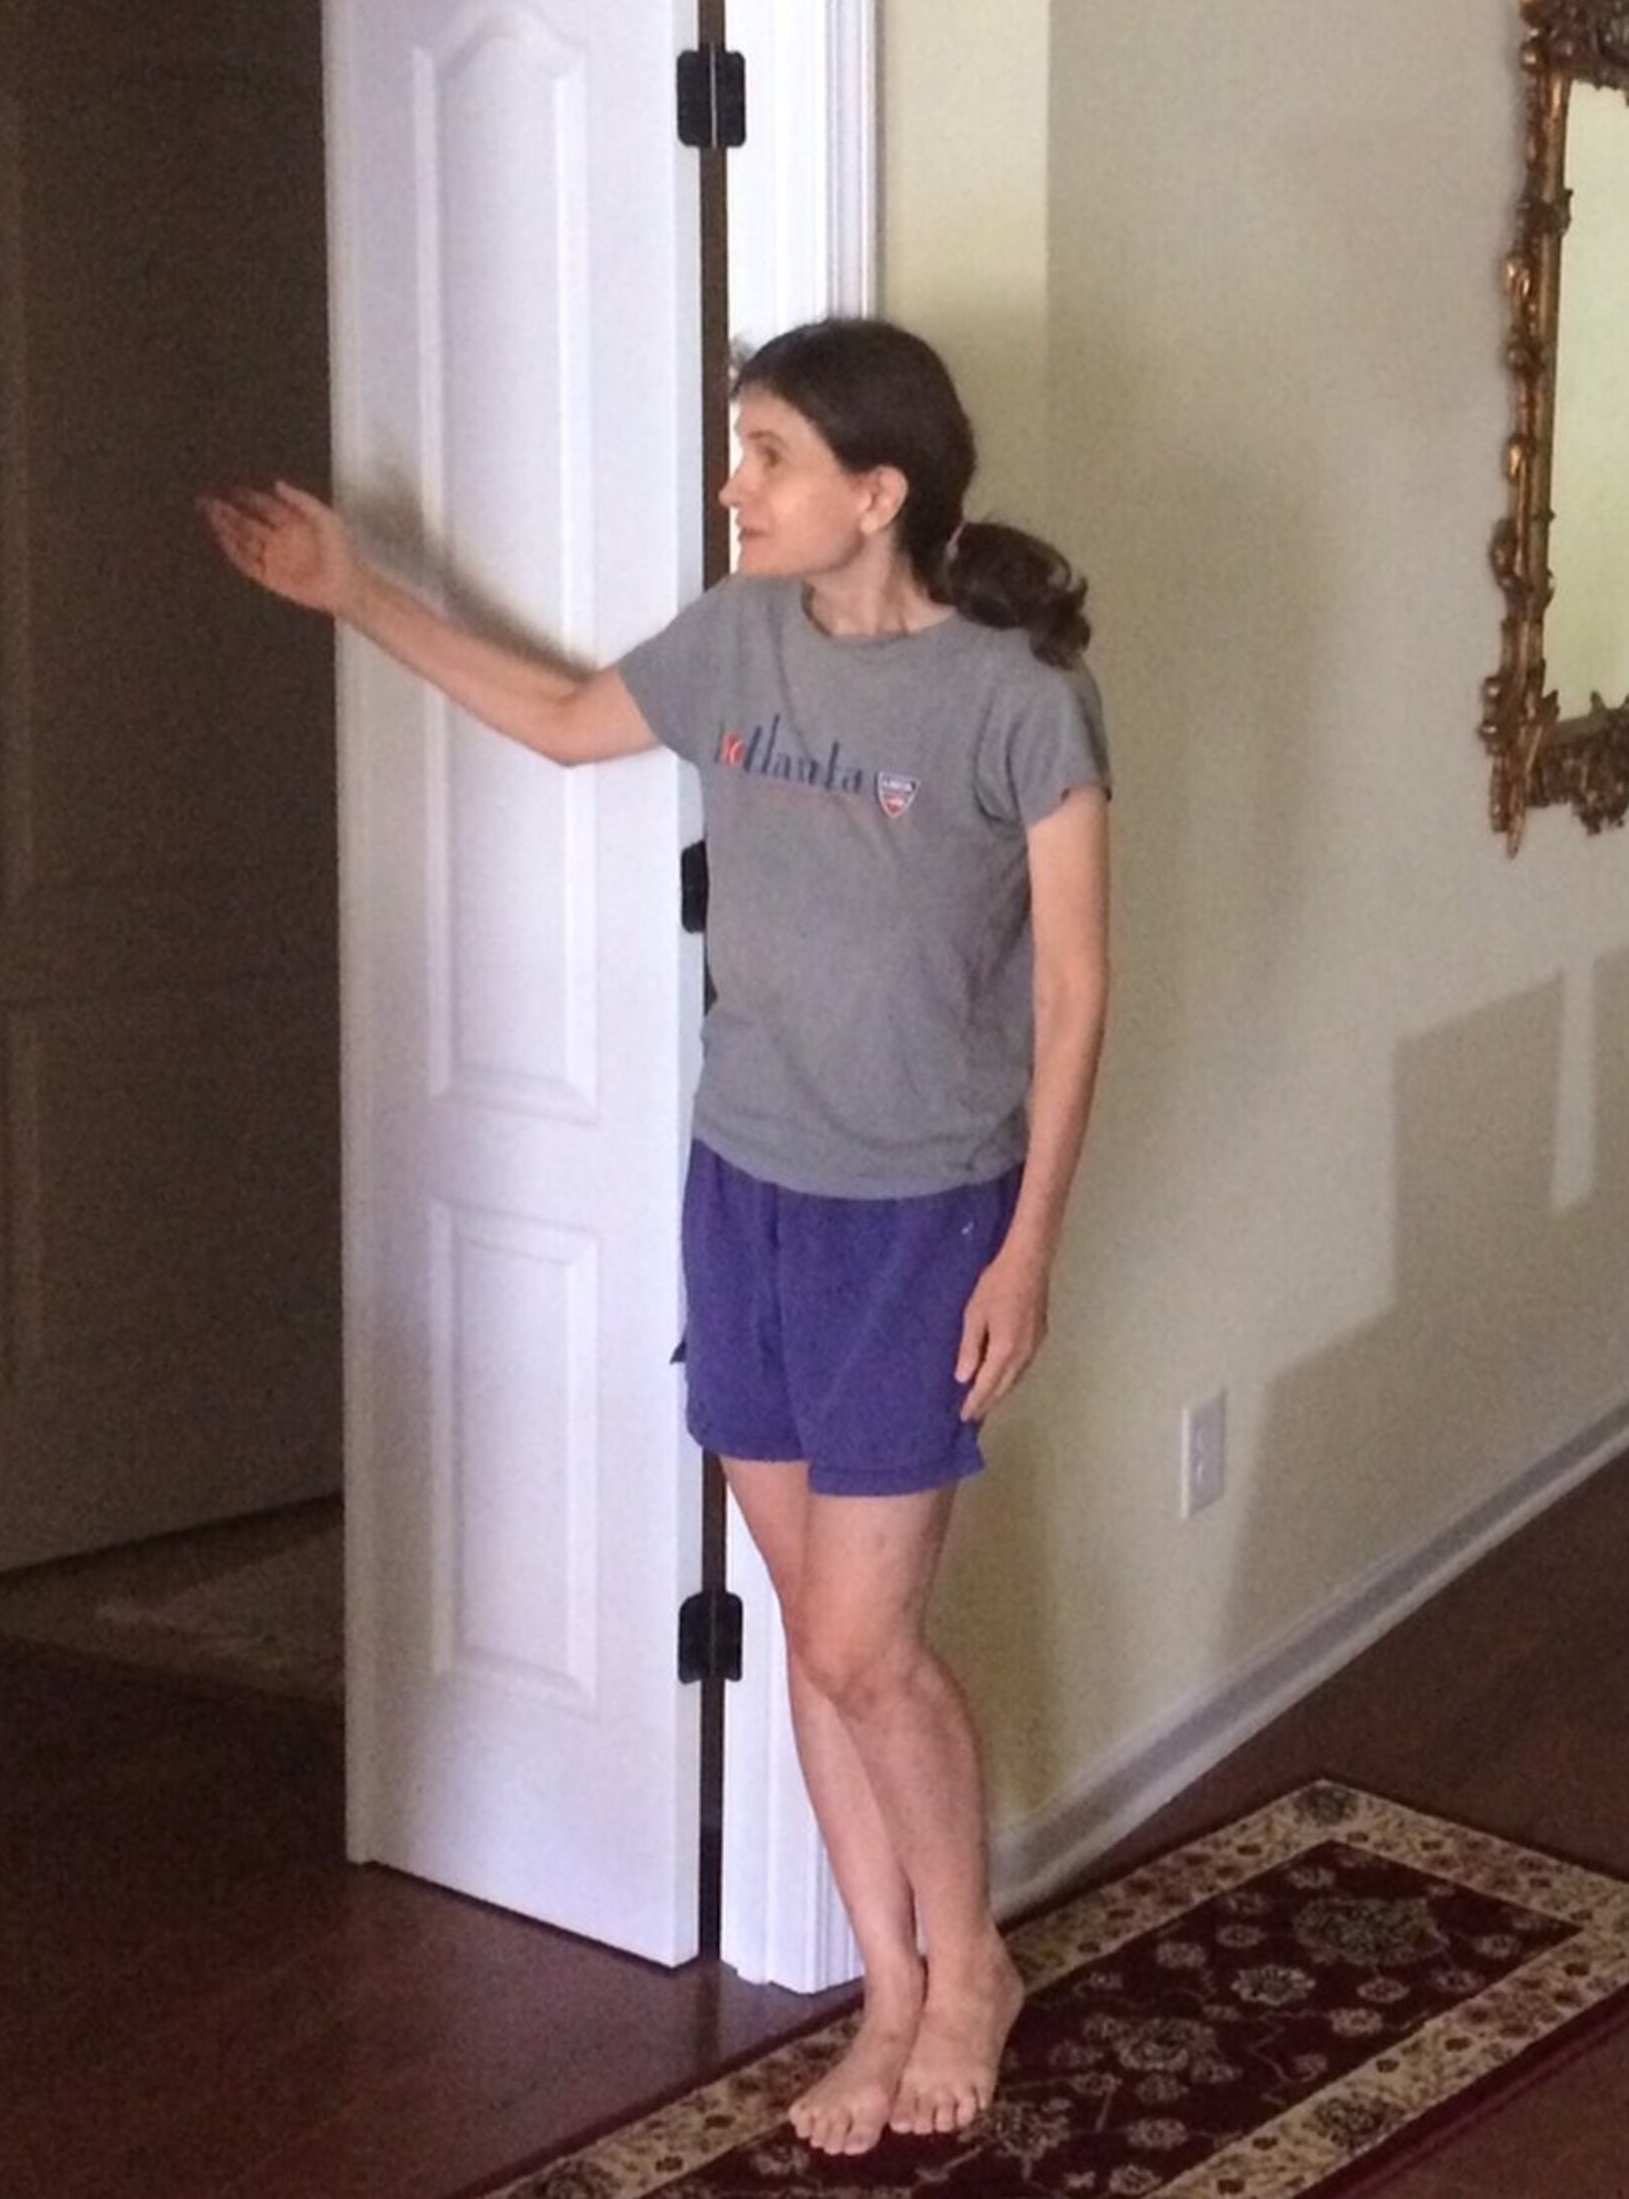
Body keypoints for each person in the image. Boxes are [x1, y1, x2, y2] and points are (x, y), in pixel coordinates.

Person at [203, 317, 1107, 2156]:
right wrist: (353, 592)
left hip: (922, 1211)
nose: (734, 486)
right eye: (738, 449)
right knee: (809, 1625)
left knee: (868, 1648)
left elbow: (1078, 998)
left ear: (881, 494)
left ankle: (971, 1969)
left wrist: (1026, 1250)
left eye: (767, 456)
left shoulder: (1016, 697)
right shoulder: (734, 643)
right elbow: (553, 722)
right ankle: (885, 1993)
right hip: (744, 1191)